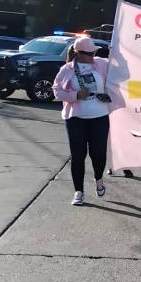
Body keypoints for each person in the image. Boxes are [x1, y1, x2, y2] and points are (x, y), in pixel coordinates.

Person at [53, 37, 113, 206]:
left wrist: (116, 48)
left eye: (94, 52)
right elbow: (57, 91)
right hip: (76, 118)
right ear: (78, 54)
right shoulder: (67, 69)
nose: (93, 55)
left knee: (98, 153)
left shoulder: (101, 63)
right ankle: (78, 192)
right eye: (89, 53)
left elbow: (123, 70)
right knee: (78, 155)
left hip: (100, 116)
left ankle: (99, 179)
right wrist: (76, 95)